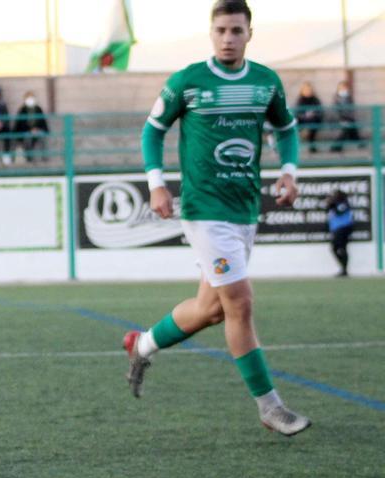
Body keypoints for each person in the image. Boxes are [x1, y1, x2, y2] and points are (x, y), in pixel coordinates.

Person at [125, 0, 309, 436]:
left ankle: (142, 344)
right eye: (221, 30)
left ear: (249, 34)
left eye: (236, 31)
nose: (228, 38)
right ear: (211, 33)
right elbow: (153, 130)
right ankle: (270, 407)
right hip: (205, 210)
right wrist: (156, 183)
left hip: (244, 208)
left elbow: (287, 129)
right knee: (240, 304)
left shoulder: (265, 82)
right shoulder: (188, 81)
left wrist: (288, 171)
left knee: (211, 310)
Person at [14, 91, 49, 163]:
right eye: (28, 98)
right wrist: (30, 130)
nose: (30, 99)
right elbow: (20, 123)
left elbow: (42, 121)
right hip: (27, 131)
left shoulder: (38, 109)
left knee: (42, 136)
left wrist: (38, 129)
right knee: (28, 138)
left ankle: (44, 157)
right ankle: (29, 158)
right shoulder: (22, 110)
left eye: (32, 97)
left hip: (38, 130)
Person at [329, 81, 362, 152]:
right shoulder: (335, 98)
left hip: (349, 119)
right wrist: (341, 120)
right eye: (341, 88)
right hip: (338, 120)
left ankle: (357, 142)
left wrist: (348, 119)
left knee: (350, 125)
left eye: (344, 88)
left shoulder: (349, 98)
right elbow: (334, 112)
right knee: (346, 128)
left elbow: (352, 110)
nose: (343, 89)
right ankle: (336, 147)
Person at [326, 190, 352, 277]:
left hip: (343, 228)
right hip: (336, 229)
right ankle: (344, 269)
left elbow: (339, 212)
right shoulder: (332, 205)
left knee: (340, 248)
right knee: (336, 248)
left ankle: (344, 269)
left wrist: (332, 204)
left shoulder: (343, 204)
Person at [293, 82, 322, 155]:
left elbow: (319, 111)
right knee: (295, 126)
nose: (308, 91)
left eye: (309, 89)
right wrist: (304, 115)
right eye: (306, 89)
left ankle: (312, 146)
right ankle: (294, 146)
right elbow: (297, 112)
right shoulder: (300, 99)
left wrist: (313, 114)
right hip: (302, 120)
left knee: (314, 125)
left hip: (313, 120)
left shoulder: (315, 99)